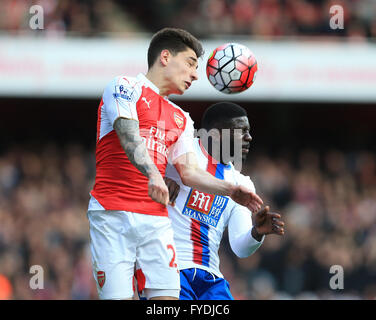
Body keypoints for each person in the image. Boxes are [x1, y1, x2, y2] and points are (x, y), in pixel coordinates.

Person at [87, 28, 263, 300]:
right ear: (165, 57)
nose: (195, 74)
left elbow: (190, 172)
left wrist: (230, 190)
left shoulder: (181, 118)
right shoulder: (123, 87)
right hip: (113, 213)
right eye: (191, 64)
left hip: (155, 220)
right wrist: (153, 174)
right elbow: (127, 132)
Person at [164, 102, 285, 300]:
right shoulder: (181, 151)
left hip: (210, 279)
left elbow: (240, 248)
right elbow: (137, 166)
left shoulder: (242, 184)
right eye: (241, 131)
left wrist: (256, 233)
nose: (249, 138)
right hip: (170, 268)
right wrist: (161, 177)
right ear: (216, 134)